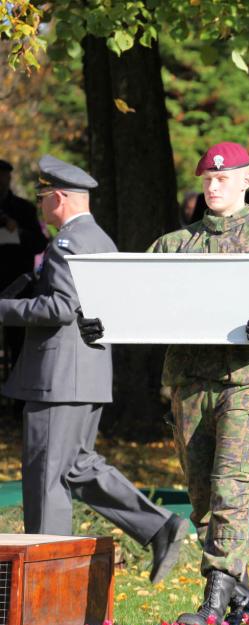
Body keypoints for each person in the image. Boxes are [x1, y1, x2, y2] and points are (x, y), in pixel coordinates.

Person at [83, 142, 249, 625]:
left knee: (230, 492)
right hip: (188, 387)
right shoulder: (177, 245)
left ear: (245, 180)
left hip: (245, 385)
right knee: (202, 501)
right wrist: (101, 322)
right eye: (207, 180)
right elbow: (133, 297)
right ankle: (242, 603)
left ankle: (213, 608)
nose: (214, 186)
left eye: (224, 178)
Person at [0, 155, 187, 585]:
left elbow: (61, 308)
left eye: (43, 196)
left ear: (59, 198)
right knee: (78, 468)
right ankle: (159, 527)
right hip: (84, 375)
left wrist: (5, 309)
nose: (40, 204)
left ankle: (47, 588)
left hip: (57, 377)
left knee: (46, 481)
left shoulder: (67, 244)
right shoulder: (99, 238)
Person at [0, 159, 49, 373]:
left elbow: (40, 244)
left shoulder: (23, 209)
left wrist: (17, 232)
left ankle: (19, 403)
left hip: (17, 288)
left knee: (19, 348)